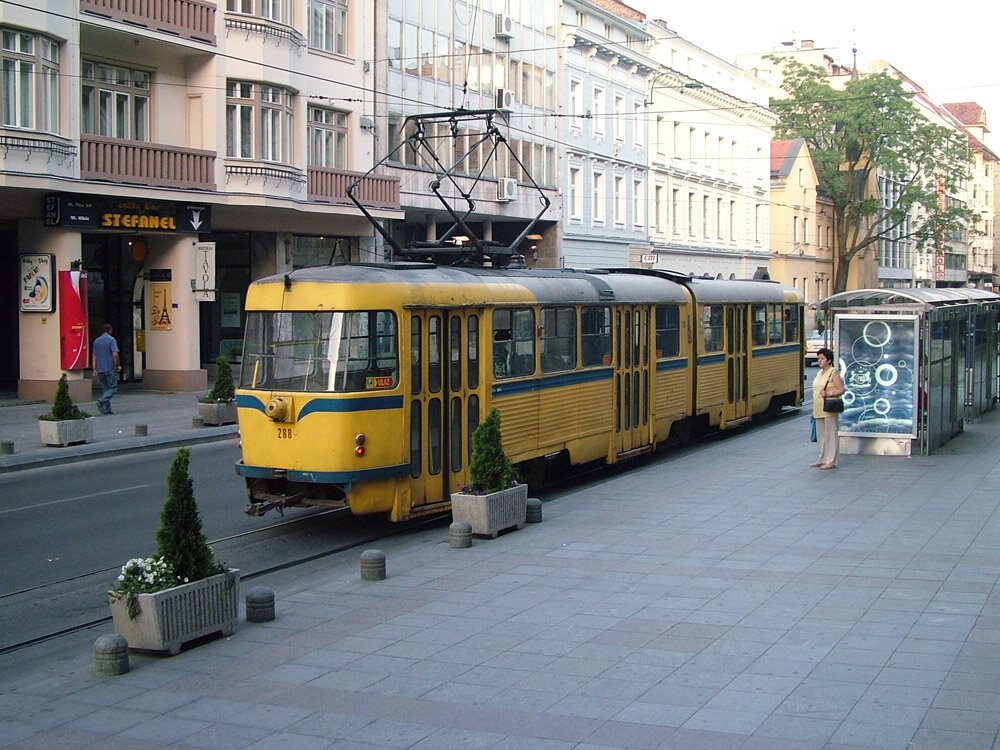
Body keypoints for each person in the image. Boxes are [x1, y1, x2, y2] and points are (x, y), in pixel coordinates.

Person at [811, 347, 845, 470]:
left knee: (830, 434)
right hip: (818, 408)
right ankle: (822, 458)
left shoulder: (833, 372)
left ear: (829, 360)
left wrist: (829, 394)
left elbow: (841, 389)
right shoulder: (819, 373)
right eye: (818, 358)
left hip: (829, 408)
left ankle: (831, 460)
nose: (819, 361)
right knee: (821, 435)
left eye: (822, 359)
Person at [92, 323, 121, 415]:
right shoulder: (111, 340)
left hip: (100, 368)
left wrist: (94, 369)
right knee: (113, 388)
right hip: (109, 367)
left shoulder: (96, 341)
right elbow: (115, 354)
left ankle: (107, 409)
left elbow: (94, 357)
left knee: (105, 388)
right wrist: (118, 365)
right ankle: (101, 401)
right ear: (110, 330)